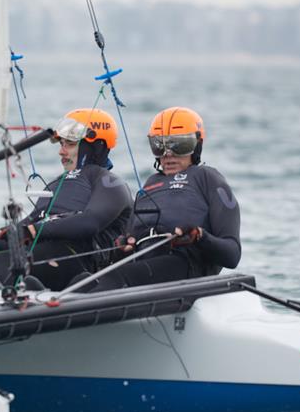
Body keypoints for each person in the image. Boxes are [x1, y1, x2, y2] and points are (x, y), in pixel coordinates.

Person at [0, 108, 132, 291]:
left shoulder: (110, 183)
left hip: (75, 259)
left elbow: (91, 222)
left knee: (4, 263)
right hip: (34, 257)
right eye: (61, 144)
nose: (61, 151)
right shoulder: (56, 185)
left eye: (70, 144)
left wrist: (33, 230)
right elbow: (20, 236)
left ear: (96, 146)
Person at [87, 106, 241, 292]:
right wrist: (121, 248)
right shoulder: (151, 183)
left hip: (185, 267)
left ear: (197, 146)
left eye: (179, 145)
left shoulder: (207, 178)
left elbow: (232, 254)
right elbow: (128, 240)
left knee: (114, 277)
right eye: (159, 145)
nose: (168, 154)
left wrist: (198, 236)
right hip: (145, 267)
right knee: (84, 278)